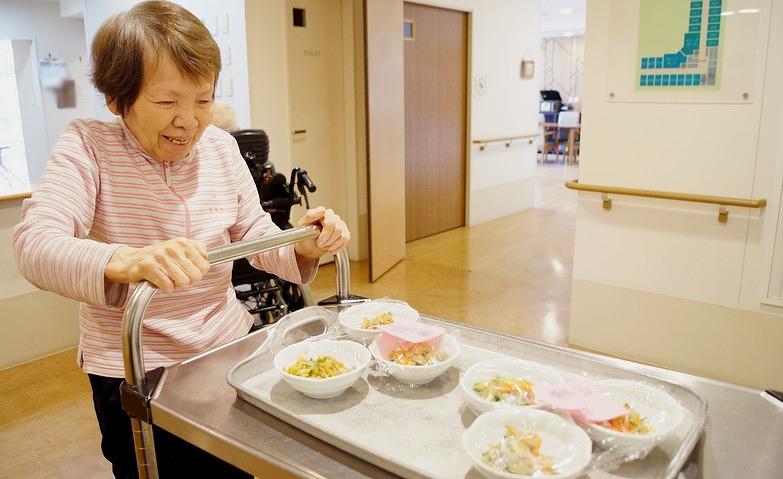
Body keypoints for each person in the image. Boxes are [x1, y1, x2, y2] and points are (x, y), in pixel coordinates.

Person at [12, 2, 350, 478]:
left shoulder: (221, 146)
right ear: (116, 98)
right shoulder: (88, 146)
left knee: (237, 465)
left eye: (203, 100)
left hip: (226, 343)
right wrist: (128, 260)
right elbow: (35, 242)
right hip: (136, 364)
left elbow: (253, 233)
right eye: (167, 102)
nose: (189, 121)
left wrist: (302, 246)